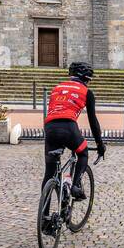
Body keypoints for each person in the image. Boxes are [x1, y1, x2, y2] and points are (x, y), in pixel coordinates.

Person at [42, 61, 105, 201]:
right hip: (68, 127)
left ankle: (44, 218)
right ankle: (75, 186)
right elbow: (93, 122)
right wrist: (100, 145)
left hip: (50, 127)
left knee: (49, 173)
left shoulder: (57, 87)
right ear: (87, 79)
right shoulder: (87, 92)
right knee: (82, 153)